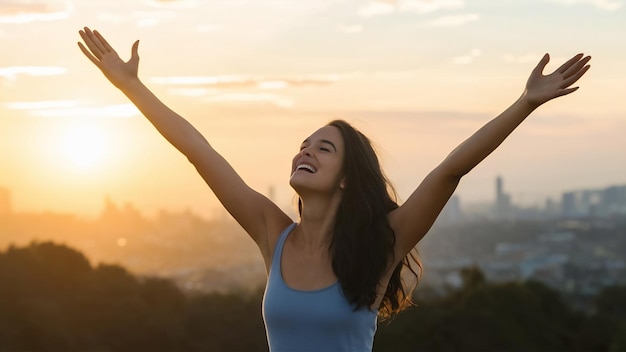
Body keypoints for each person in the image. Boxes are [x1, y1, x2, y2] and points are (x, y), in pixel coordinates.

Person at [77, 27, 591, 352]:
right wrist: (132, 87)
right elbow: (200, 152)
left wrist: (525, 104)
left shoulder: (382, 244)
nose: (305, 151)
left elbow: (448, 173)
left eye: (324, 148)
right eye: (304, 144)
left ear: (347, 176)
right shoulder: (270, 232)